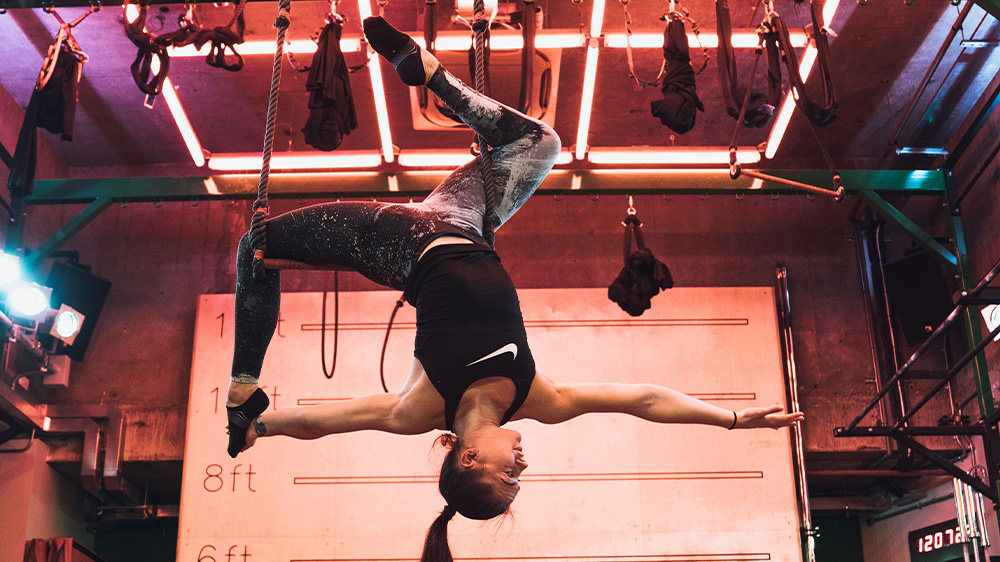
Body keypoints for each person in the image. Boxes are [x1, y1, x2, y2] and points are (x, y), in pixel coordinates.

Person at [223, 16, 804, 562]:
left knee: (259, 246)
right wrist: (731, 420)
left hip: (401, 245)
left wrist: (258, 426)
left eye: (509, 475)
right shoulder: (538, 399)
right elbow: (642, 400)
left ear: (469, 457)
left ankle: (241, 389)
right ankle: (430, 76)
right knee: (541, 143)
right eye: (519, 478)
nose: (523, 465)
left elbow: (323, 422)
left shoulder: (420, 408)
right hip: (469, 221)